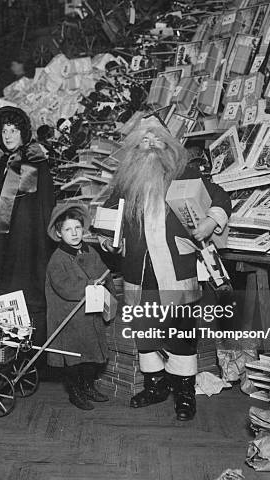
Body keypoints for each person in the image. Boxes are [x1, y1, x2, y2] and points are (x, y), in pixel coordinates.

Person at [103, 119, 231, 420]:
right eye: (143, 140)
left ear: (168, 145)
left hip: (176, 266)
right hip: (138, 271)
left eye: (156, 139)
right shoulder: (126, 182)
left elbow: (220, 197)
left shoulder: (185, 173)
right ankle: (155, 385)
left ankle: (185, 393)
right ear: (135, 148)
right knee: (144, 330)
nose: (150, 145)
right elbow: (109, 216)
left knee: (180, 333)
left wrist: (209, 222)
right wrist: (107, 238)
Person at [0, 106, 55, 348]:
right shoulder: (7, 162)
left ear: (23, 132)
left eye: (13, 130)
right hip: (10, 241)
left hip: (26, 242)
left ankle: (23, 356)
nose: (8, 136)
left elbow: (23, 206)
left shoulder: (31, 159)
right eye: (4, 131)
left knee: (24, 297)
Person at [45, 204, 114, 410]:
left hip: (89, 313)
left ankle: (87, 385)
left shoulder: (89, 250)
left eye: (77, 228)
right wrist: (88, 285)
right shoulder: (57, 259)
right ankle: (75, 391)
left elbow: (104, 273)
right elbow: (64, 287)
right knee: (74, 357)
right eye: (68, 230)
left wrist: (105, 286)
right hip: (69, 316)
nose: (74, 234)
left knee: (92, 355)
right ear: (58, 233)